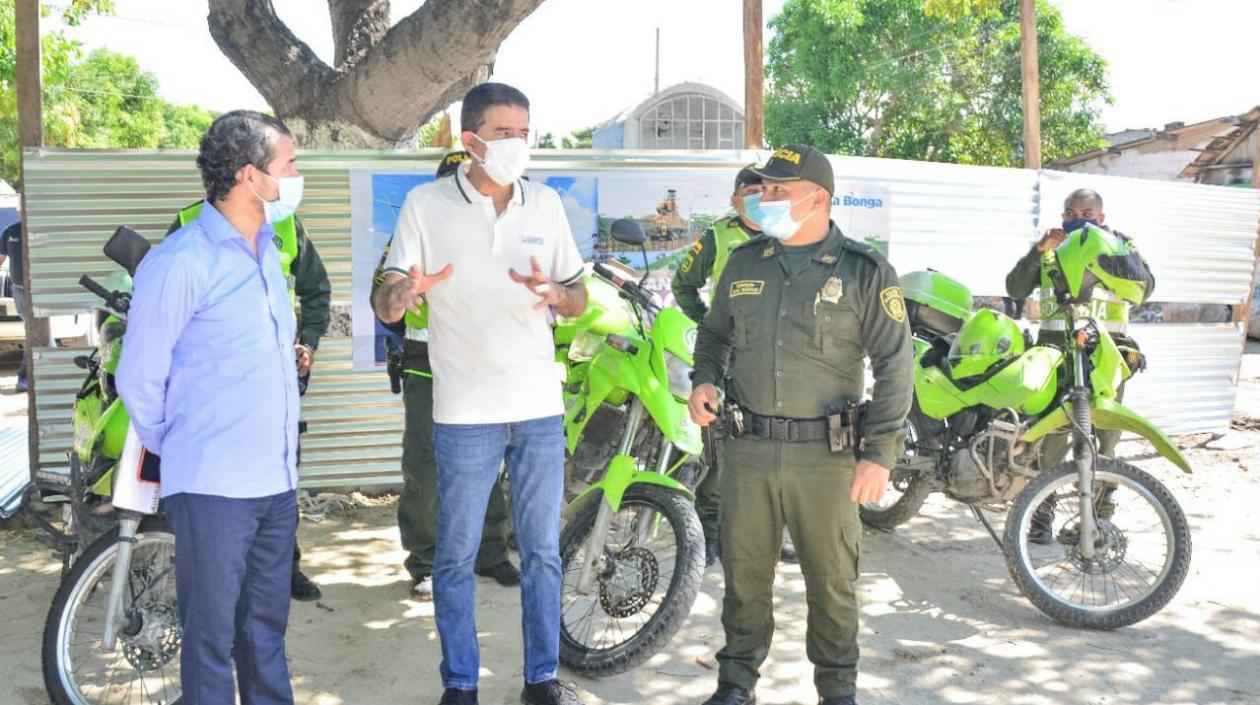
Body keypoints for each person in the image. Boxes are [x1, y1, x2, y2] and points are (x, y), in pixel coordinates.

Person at [371, 83, 587, 705]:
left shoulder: (544, 205)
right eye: (503, 134)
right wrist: (404, 293)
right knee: (455, 555)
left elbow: (577, 297)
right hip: (465, 411)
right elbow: (387, 298)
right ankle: (460, 684)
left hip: (538, 409)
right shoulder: (425, 204)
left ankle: (540, 679)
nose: (518, 145)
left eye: (525, 132)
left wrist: (558, 297)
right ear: (469, 141)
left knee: (543, 553)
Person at [687, 145, 913, 705]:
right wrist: (705, 378)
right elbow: (714, 334)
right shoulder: (744, 263)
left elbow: (895, 365)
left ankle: (837, 690)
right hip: (749, 450)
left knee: (833, 582)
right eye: (762, 189)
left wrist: (879, 453)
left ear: (818, 198)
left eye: (778, 191)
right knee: (743, 577)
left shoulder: (864, 271)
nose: (764, 199)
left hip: (827, 459)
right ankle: (736, 682)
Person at [117, 110, 303, 705]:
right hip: (214, 487)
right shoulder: (181, 261)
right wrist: (187, 449)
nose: (298, 176)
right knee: (210, 641)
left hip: (276, 481)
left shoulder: (269, 250)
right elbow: (139, 376)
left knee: (265, 635)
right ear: (251, 176)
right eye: (290, 165)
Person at [165, 196, 331, 602]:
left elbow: (316, 291)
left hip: (276, 383)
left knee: (280, 477)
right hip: (217, 387)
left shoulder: (287, 225)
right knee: (221, 486)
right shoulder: (188, 225)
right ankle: (221, 574)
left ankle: (283, 569)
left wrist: (306, 343)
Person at [373, 149, 519, 601]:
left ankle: (491, 552)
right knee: (426, 467)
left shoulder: (501, 235)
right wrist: (404, 295)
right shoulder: (410, 236)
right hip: (427, 364)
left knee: (491, 464)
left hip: (486, 367)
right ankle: (426, 562)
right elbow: (384, 301)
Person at [1005, 188, 1155, 542]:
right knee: (1050, 442)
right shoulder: (1051, 250)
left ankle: (1098, 521)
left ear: (1101, 217)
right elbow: (1014, 288)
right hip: (1056, 358)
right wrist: (1037, 251)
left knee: (1104, 442)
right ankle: (1041, 518)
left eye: (1087, 212)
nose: (1078, 218)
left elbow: (1145, 288)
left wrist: (1111, 252)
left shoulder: (1120, 248)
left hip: (1106, 356)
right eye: (1070, 212)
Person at [671, 167, 798, 567]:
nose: (761, 196)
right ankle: (710, 537)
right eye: (752, 190)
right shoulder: (718, 236)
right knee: (721, 453)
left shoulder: (788, 234)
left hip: (778, 359)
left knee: (778, 449)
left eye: (767, 189)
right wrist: (709, 323)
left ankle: (772, 538)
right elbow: (682, 285)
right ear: (735, 199)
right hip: (727, 359)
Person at [0, 216, 54, 392]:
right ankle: (42, 375)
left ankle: (25, 377)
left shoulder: (43, 230)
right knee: (38, 334)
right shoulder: (10, 231)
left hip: (39, 292)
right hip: (18, 291)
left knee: (36, 333)